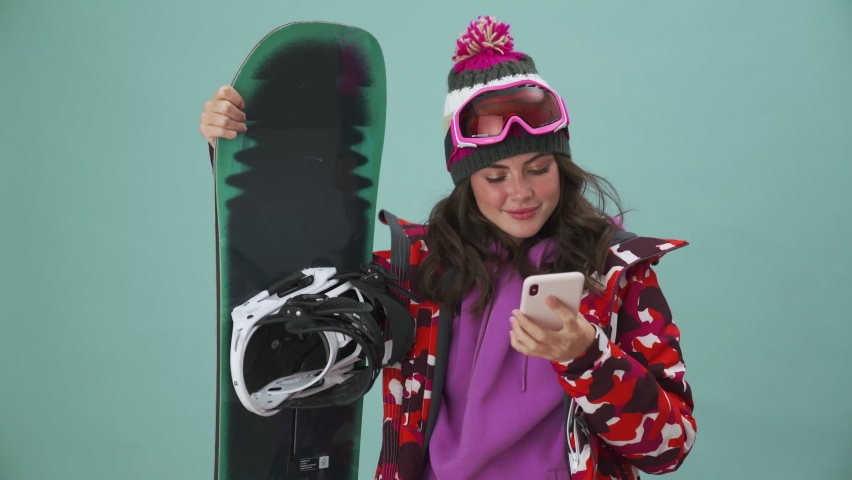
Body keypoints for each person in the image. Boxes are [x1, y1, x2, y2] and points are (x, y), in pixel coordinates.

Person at [200, 15, 697, 480]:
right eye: (495, 176)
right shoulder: (416, 271)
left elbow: (669, 447)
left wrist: (587, 355)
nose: (520, 193)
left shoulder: (615, 272)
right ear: (466, 181)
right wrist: (241, 148)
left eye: (538, 170)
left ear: (561, 168)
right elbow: (302, 266)